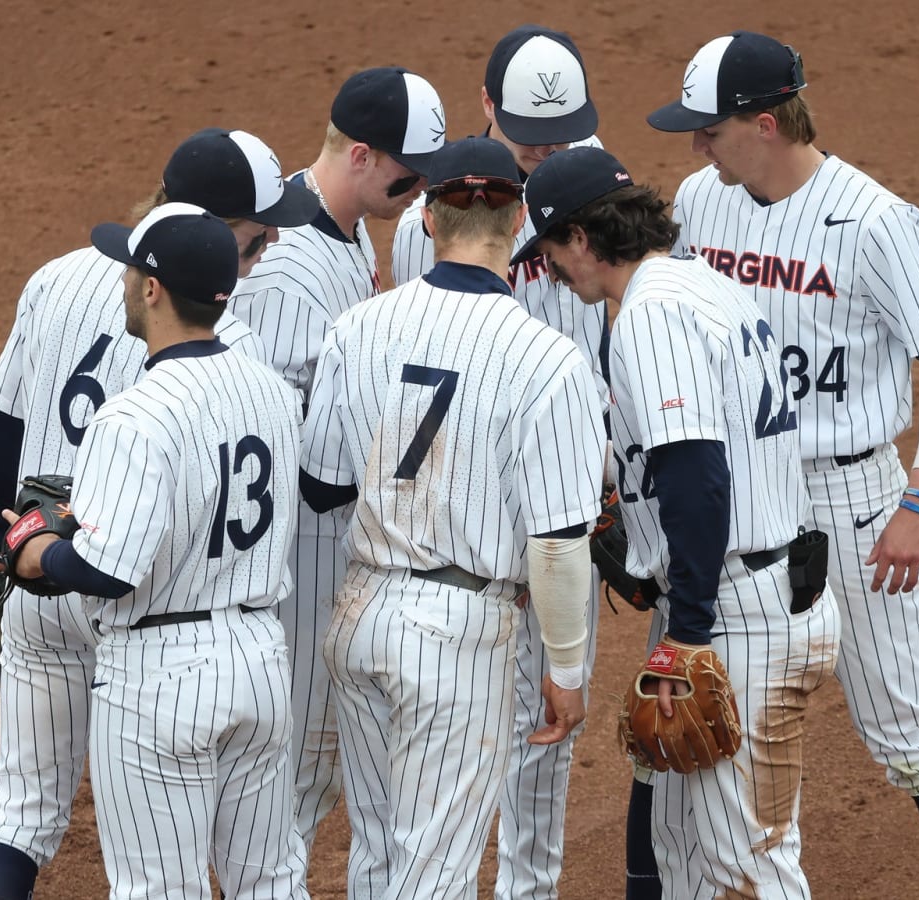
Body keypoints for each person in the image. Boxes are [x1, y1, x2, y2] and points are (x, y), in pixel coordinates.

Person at [647, 30, 919, 899]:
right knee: (686, 712)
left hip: (855, 497)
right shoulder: (700, 200)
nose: (695, 146)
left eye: (709, 129)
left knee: (906, 734)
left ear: (763, 124)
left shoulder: (874, 221)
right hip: (741, 495)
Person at [0, 128, 318, 900]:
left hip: (69, 586)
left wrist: (7, 543)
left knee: (21, 814)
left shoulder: (56, 278)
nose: (265, 249)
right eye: (255, 239)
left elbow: (0, 425)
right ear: (219, 237)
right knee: (264, 874)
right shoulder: (245, 352)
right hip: (194, 613)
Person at [516, 145, 841, 898]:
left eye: (553, 253)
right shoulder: (706, 287)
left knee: (748, 867)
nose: (555, 273)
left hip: (734, 614)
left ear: (583, 241)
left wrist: (687, 629)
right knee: (686, 856)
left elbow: (697, 475)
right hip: (764, 588)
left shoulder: (652, 315)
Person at [297, 136, 606, 899]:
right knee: (435, 872)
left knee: (376, 855)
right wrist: (565, 671)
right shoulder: (547, 358)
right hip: (458, 636)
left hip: (360, 613)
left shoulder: (357, 327)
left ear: (429, 220)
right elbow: (561, 546)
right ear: (520, 218)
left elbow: (322, 486)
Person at [389, 28, 606, 898]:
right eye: (528, 138)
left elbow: (612, 352)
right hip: (463, 521)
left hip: (563, 508)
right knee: (444, 735)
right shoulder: (424, 225)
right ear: (485, 108)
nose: (547, 154)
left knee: (546, 740)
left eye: (561, 137)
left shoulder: (600, 199)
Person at [224, 66, 444, 864]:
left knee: (313, 773)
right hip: (301, 545)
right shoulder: (287, 269)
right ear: (359, 155)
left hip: (332, 535)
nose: (419, 190)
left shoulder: (342, 228)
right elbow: (268, 425)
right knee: (296, 771)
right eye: (406, 173)